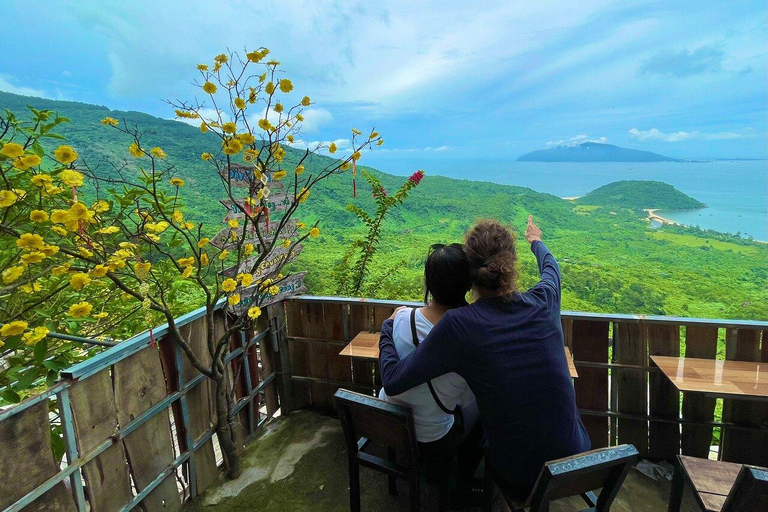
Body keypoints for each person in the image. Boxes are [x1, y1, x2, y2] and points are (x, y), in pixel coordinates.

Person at [378, 216, 591, 500]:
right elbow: (551, 268)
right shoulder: (545, 300)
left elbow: (393, 381)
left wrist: (387, 327)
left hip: (519, 476)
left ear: (470, 274)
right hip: (576, 464)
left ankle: (461, 489)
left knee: (478, 413)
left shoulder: (460, 324)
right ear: (511, 264)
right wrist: (536, 241)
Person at [378, 243, 481, 496]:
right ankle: (462, 485)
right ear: (468, 285)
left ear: (428, 282)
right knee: (480, 417)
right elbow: (466, 401)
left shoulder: (401, 318)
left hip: (388, 423)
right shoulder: (470, 340)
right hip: (432, 437)